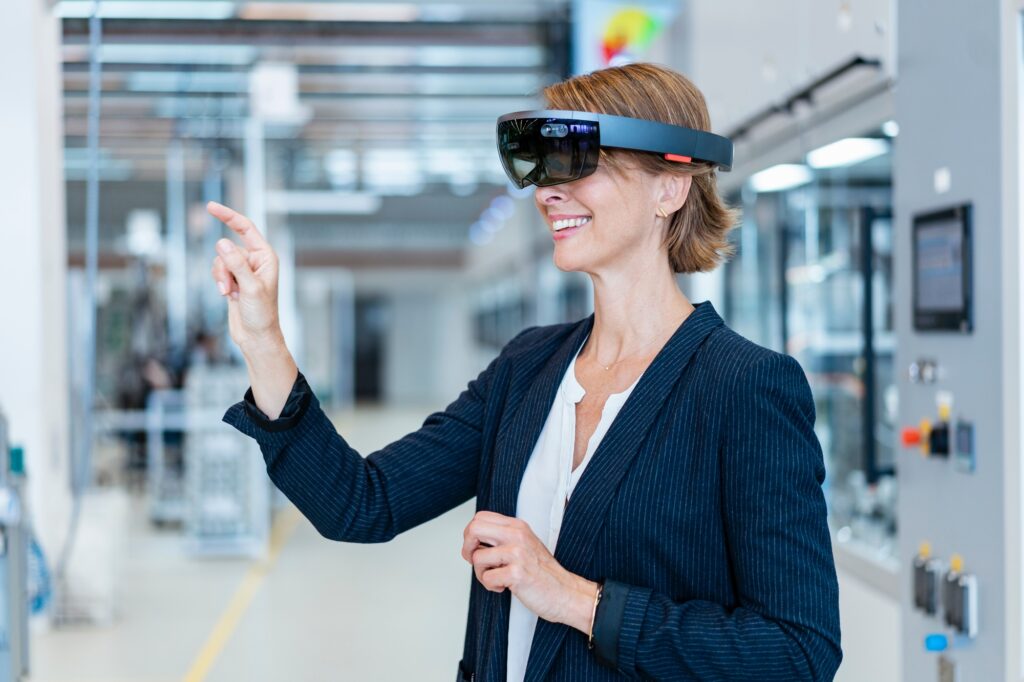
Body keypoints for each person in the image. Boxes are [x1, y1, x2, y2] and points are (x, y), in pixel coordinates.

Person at [208, 62, 841, 681]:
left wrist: (575, 599)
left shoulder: (743, 386)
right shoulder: (527, 368)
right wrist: (264, 339)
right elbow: (361, 503)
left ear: (670, 187)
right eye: (539, 168)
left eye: (578, 163)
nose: (546, 192)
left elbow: (798, 651)